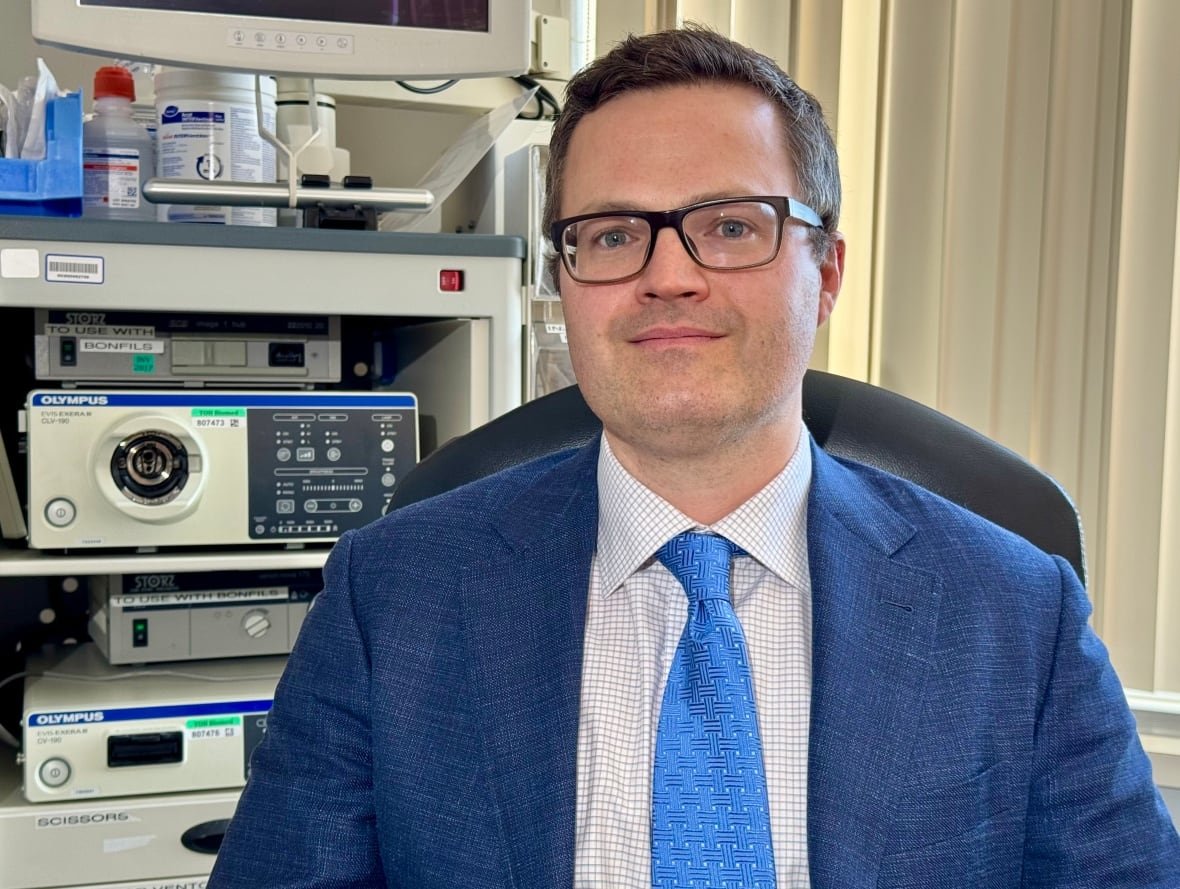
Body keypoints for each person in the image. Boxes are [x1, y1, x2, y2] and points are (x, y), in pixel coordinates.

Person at [209, 26, 1180, 889]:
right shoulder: (393, 595)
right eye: (614, 233)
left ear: (825, 271)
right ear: (565, 282)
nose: (667, 275)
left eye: (728, 227)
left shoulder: (1015, 612)